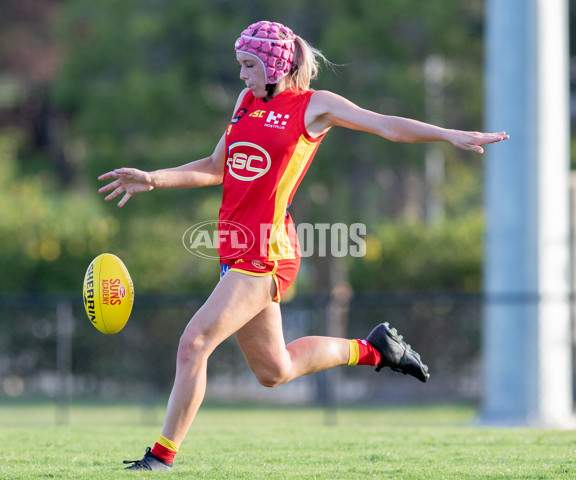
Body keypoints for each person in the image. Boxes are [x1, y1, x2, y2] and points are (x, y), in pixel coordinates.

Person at [99, 20, 509, 471]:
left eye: (249, 65)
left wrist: (449, 134)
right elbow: (217, 166)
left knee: (193, 343)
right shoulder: (247, 102)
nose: (242, 76)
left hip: (268, 252)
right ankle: (375, 349)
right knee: (274, 371)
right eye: (240, 65)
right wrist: (154, 179)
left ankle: (160, 458)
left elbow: (387, 126)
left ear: (275, 64)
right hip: (236, 248)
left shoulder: (315, 106)